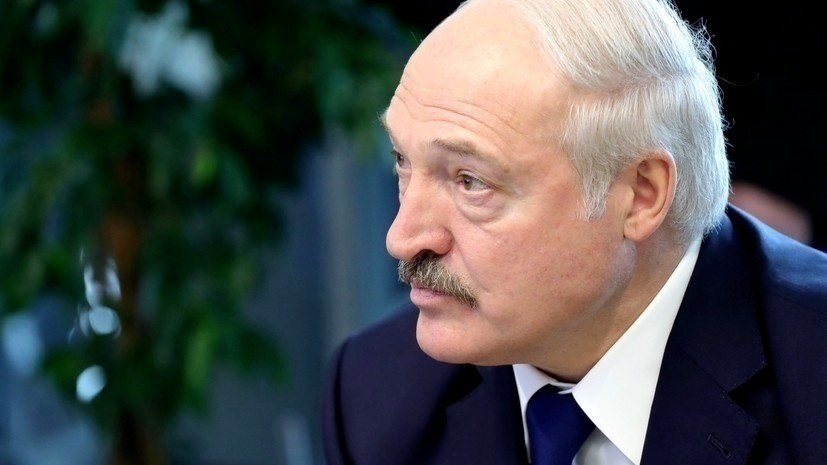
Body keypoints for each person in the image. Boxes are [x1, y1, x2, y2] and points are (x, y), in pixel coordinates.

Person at [322, 0, 827, 464]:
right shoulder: (375, 393)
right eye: (402, 162)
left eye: (471, 182)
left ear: (641, 194)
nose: (402, 238)